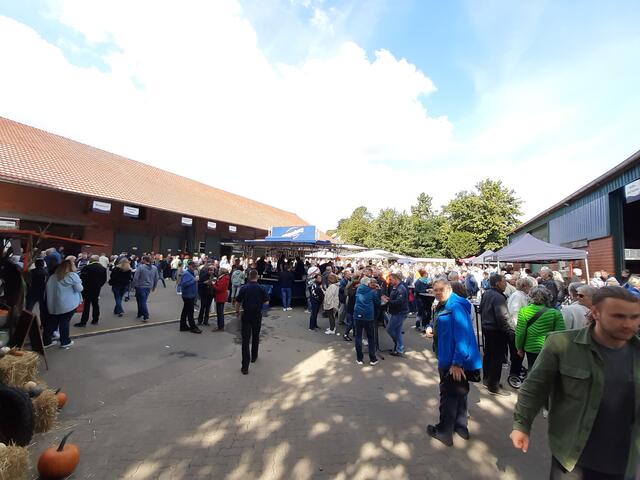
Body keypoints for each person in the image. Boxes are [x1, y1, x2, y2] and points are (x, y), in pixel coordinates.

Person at [511, 286, 640, 479]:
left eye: (635, 317)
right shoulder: (562, 345)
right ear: (595, 312)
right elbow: (534, 387)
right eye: (618, 316)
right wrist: (521, 424)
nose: (628, 324)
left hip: (625, 464)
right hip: (572, 459)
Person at [426, 279, 482, 446]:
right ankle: (461, 427)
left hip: (452, 359)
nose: (437, 292)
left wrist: (456, 363)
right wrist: (431, 327)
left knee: (448, 395)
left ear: (449, 289)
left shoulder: (455, 306)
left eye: (441, 289)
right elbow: (439, 323)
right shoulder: (444, 304)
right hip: (450, 356)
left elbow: (463, 336)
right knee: (460, 392)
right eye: (435, 290)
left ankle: (444, 431)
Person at [515, 286, 565, 369]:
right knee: (548, 371)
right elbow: (560, 334)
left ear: (531, 297)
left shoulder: (524, 311)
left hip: (531, 348)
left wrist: (519, 348)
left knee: (532, 370)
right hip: (549, 348)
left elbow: (520, 333)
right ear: (548, 297)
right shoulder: (555, 313)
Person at [480, 273, 513, 396]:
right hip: (496, 330)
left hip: (487, 328)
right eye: (504, 282)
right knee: (496, 358)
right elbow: (502, 317)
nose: (506, 284)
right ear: (498, 283)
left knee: (489, 355)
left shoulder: (487, 293)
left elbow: (481, 309)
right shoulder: (498, 297)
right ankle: (493, 386)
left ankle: (487, 380)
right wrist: (509, 331)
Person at [43, 259, 83, 349]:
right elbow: (79, 289)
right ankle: (65, 341)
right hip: (68, 304)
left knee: (52, 322)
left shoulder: (53, 276)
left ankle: (46, 341)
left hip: (53, 304)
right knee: (64, 322)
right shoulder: (72, 276)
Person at [236, 269, 269, 374]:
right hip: (257, 314)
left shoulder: (244, 288)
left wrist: (237, 311)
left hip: (246, 314)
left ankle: (245, 367)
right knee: (256, 335)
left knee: (245, 340)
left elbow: (238, 301)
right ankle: (254, 356)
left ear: (249, 277)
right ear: (257, 277)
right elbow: (266, 302)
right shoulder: (262, 288)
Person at [506, 276, 535, 387]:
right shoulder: (518, 296)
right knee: (517, 355)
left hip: (517, 329)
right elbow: (515, 314)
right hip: (516, 330)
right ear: (525, 286)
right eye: (530, 287)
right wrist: (519, 329)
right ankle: (514, 374)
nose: (531, 289)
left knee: (518, 355)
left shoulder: (520, 295)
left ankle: (517, 371)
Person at [353, 277, 381, 365]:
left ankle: (359, 358)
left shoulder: (358, 290)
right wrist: (378, 291)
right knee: (371, 338)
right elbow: (378, 303)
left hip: (358, 314)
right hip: (368, 316)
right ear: (367, 283)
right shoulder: (372, 292)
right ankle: (372, 359)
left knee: (358, 336)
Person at [74, 255, 107, 327]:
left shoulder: (87, 267)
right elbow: (104, 279)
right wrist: (99, 285)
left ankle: (83, 321)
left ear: (91, 259)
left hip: (87, 289)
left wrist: (83, 287)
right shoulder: (103, 268)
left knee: (86, 305)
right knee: (95, 304)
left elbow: (82, 278)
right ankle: (95, 320)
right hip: (97, 289)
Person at [384, 272, 409, 356]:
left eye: (391, 280)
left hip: (399, 312)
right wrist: (388, 299)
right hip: (397, 312)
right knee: (397, 331)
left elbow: (399, 302)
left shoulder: (400, 288)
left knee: (389, 329)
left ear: (396, 279)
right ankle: (399, 348)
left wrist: (388, 301)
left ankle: (399, 346)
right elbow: (396, 299)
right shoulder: (397, 287)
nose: (389, 281)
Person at [132, 255, 158, 322]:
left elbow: (135, 278)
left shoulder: (140, 267)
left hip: (140, 286)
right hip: (149, 287)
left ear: (144, 260)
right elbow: (156, 278)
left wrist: (133, 286)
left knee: (141, 301)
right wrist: (154, 286)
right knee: (142, 300)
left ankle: (146, 316)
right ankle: (139, 313)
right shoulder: (154, 268)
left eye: (142, 259)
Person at [179, 261, 201, 333]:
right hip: (188, 296)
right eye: (193, 266)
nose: (194, 268)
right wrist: (194, 280)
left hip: (190, 295)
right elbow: (184, 284)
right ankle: (193, 327)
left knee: (185, 311)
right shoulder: (186, 274)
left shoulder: (191, 273)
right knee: (190, 312)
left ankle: (183, 326)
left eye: (195, 267)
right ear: (189, 266)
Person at [212, 267, 230, 331]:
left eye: (219, 271)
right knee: (219, 312)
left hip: (221, 296)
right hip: (221, 296)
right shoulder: (223, 278)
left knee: (220, 312)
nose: (218, 272)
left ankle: (221, 327)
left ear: (222, 272)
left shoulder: (224, 278)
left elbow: (219, 288)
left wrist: (213, 284)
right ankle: (220, 326)